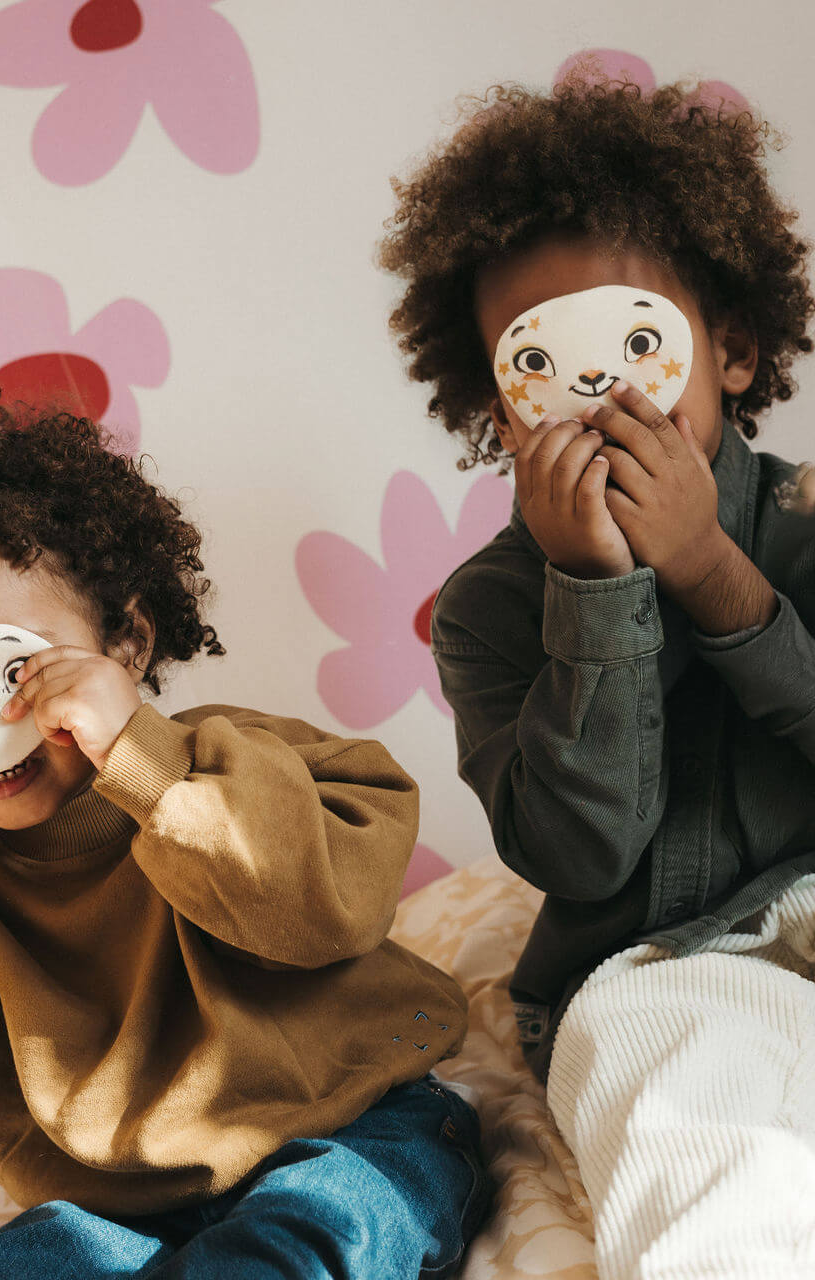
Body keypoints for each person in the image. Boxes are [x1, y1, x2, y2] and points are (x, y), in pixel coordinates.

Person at [0, 389, 490, 1280]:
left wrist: (146, 765)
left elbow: (321, 912)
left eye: (14, 669)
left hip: (348, 1127)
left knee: (298, 1241)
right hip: (113, 1209)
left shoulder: (248, 762)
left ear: (125, 643)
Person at [380, 78, 815, 1277]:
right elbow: (580, 856)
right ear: (500, 407)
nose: (603, 396)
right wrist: (595, 589)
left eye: (636, 346)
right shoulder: (486, 607)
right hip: (658, 963)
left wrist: (713, 571)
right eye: (544, 364)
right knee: (689, 1116)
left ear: (731, 353)